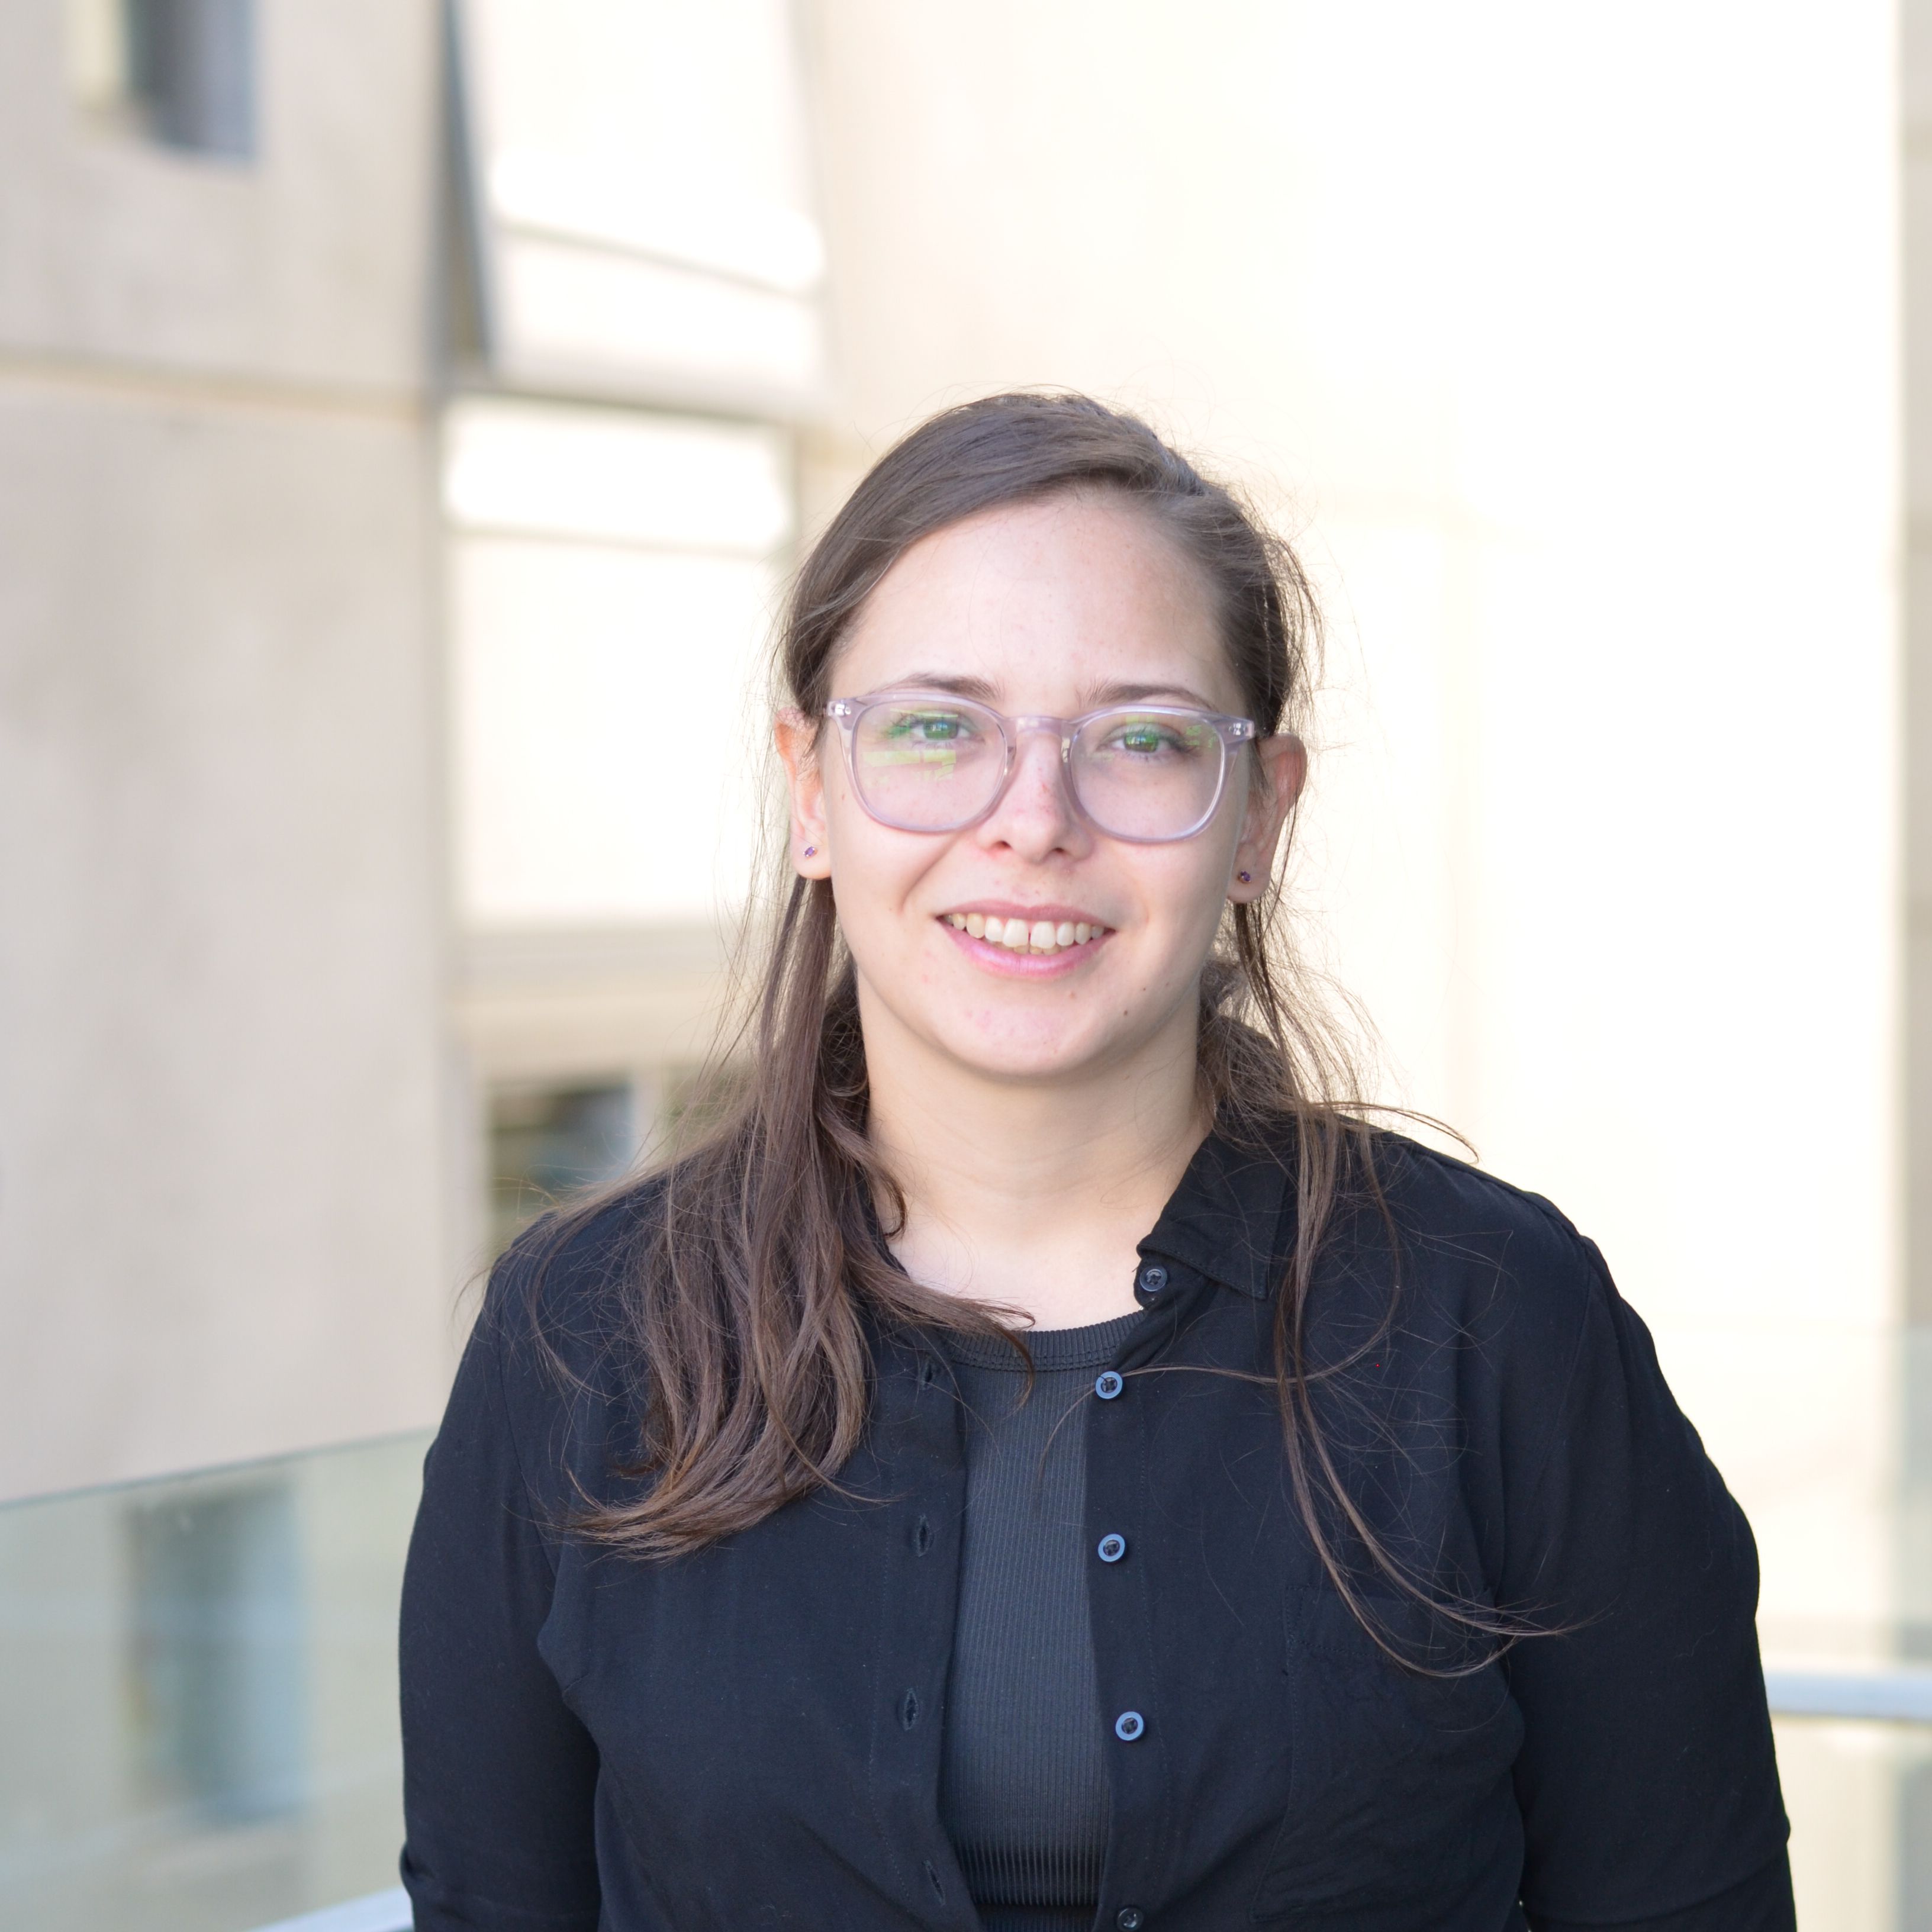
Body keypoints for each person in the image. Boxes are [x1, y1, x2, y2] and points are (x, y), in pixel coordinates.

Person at [399, 394, 1792, 1932]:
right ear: (810, 791)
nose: (1034, 822)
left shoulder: (1497, 1325)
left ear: (1259, 819)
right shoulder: (581, 1336)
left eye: (1141, 740)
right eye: (937, 729)